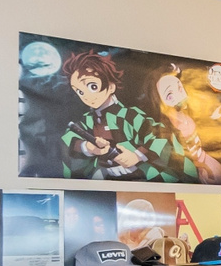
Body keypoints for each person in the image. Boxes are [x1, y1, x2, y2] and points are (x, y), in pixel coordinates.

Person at [58, 51, 182, 181]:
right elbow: (69, 141)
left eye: (92, 86)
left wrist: (137, 156)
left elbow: (160, 136)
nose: (86, 96)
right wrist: (88, 147)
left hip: (140, 179)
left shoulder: (130, 116)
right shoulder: (87, 121)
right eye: (80, 91)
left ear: (111, 86)